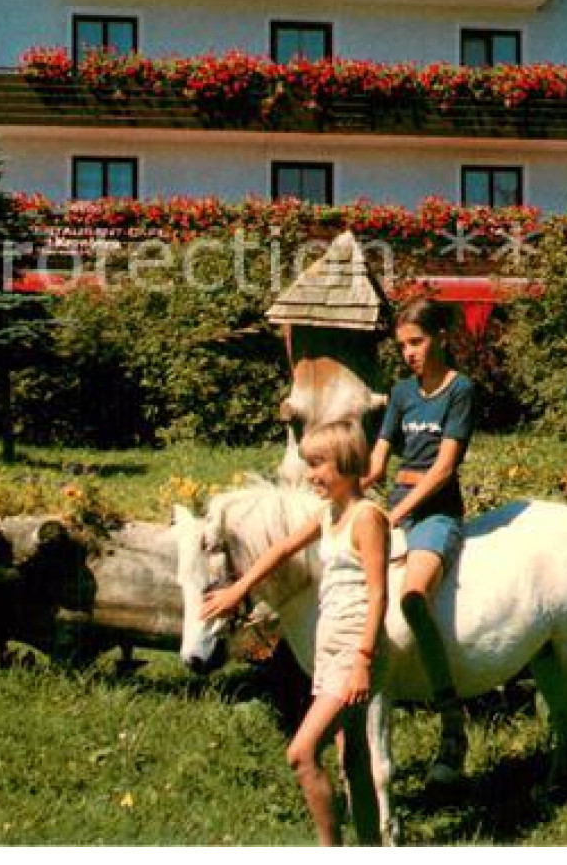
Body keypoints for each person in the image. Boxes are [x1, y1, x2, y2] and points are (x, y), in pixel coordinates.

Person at [201, 420, 389, 846]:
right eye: (309, 465)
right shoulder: (330, 513)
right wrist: (238, 590)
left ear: (346, 463)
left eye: (319, 465)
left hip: (355, 649)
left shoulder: (367, 518)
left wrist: (363, 660)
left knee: (301, 754)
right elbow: (282, 548)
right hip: (331, 644)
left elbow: (379, 593)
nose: (310, 475)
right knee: (354, 760)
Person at [362, 297, 476, 785]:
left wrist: (397, 514)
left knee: (411, 598)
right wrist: (348, 486)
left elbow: (444, 469)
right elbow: (377, 462)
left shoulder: (460, 390)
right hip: (396, 505)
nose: (409, 353)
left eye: (417, 342)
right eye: (403, 345)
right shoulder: (402, 392)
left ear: (440, 338)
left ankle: (452, 723)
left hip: (435, 514)